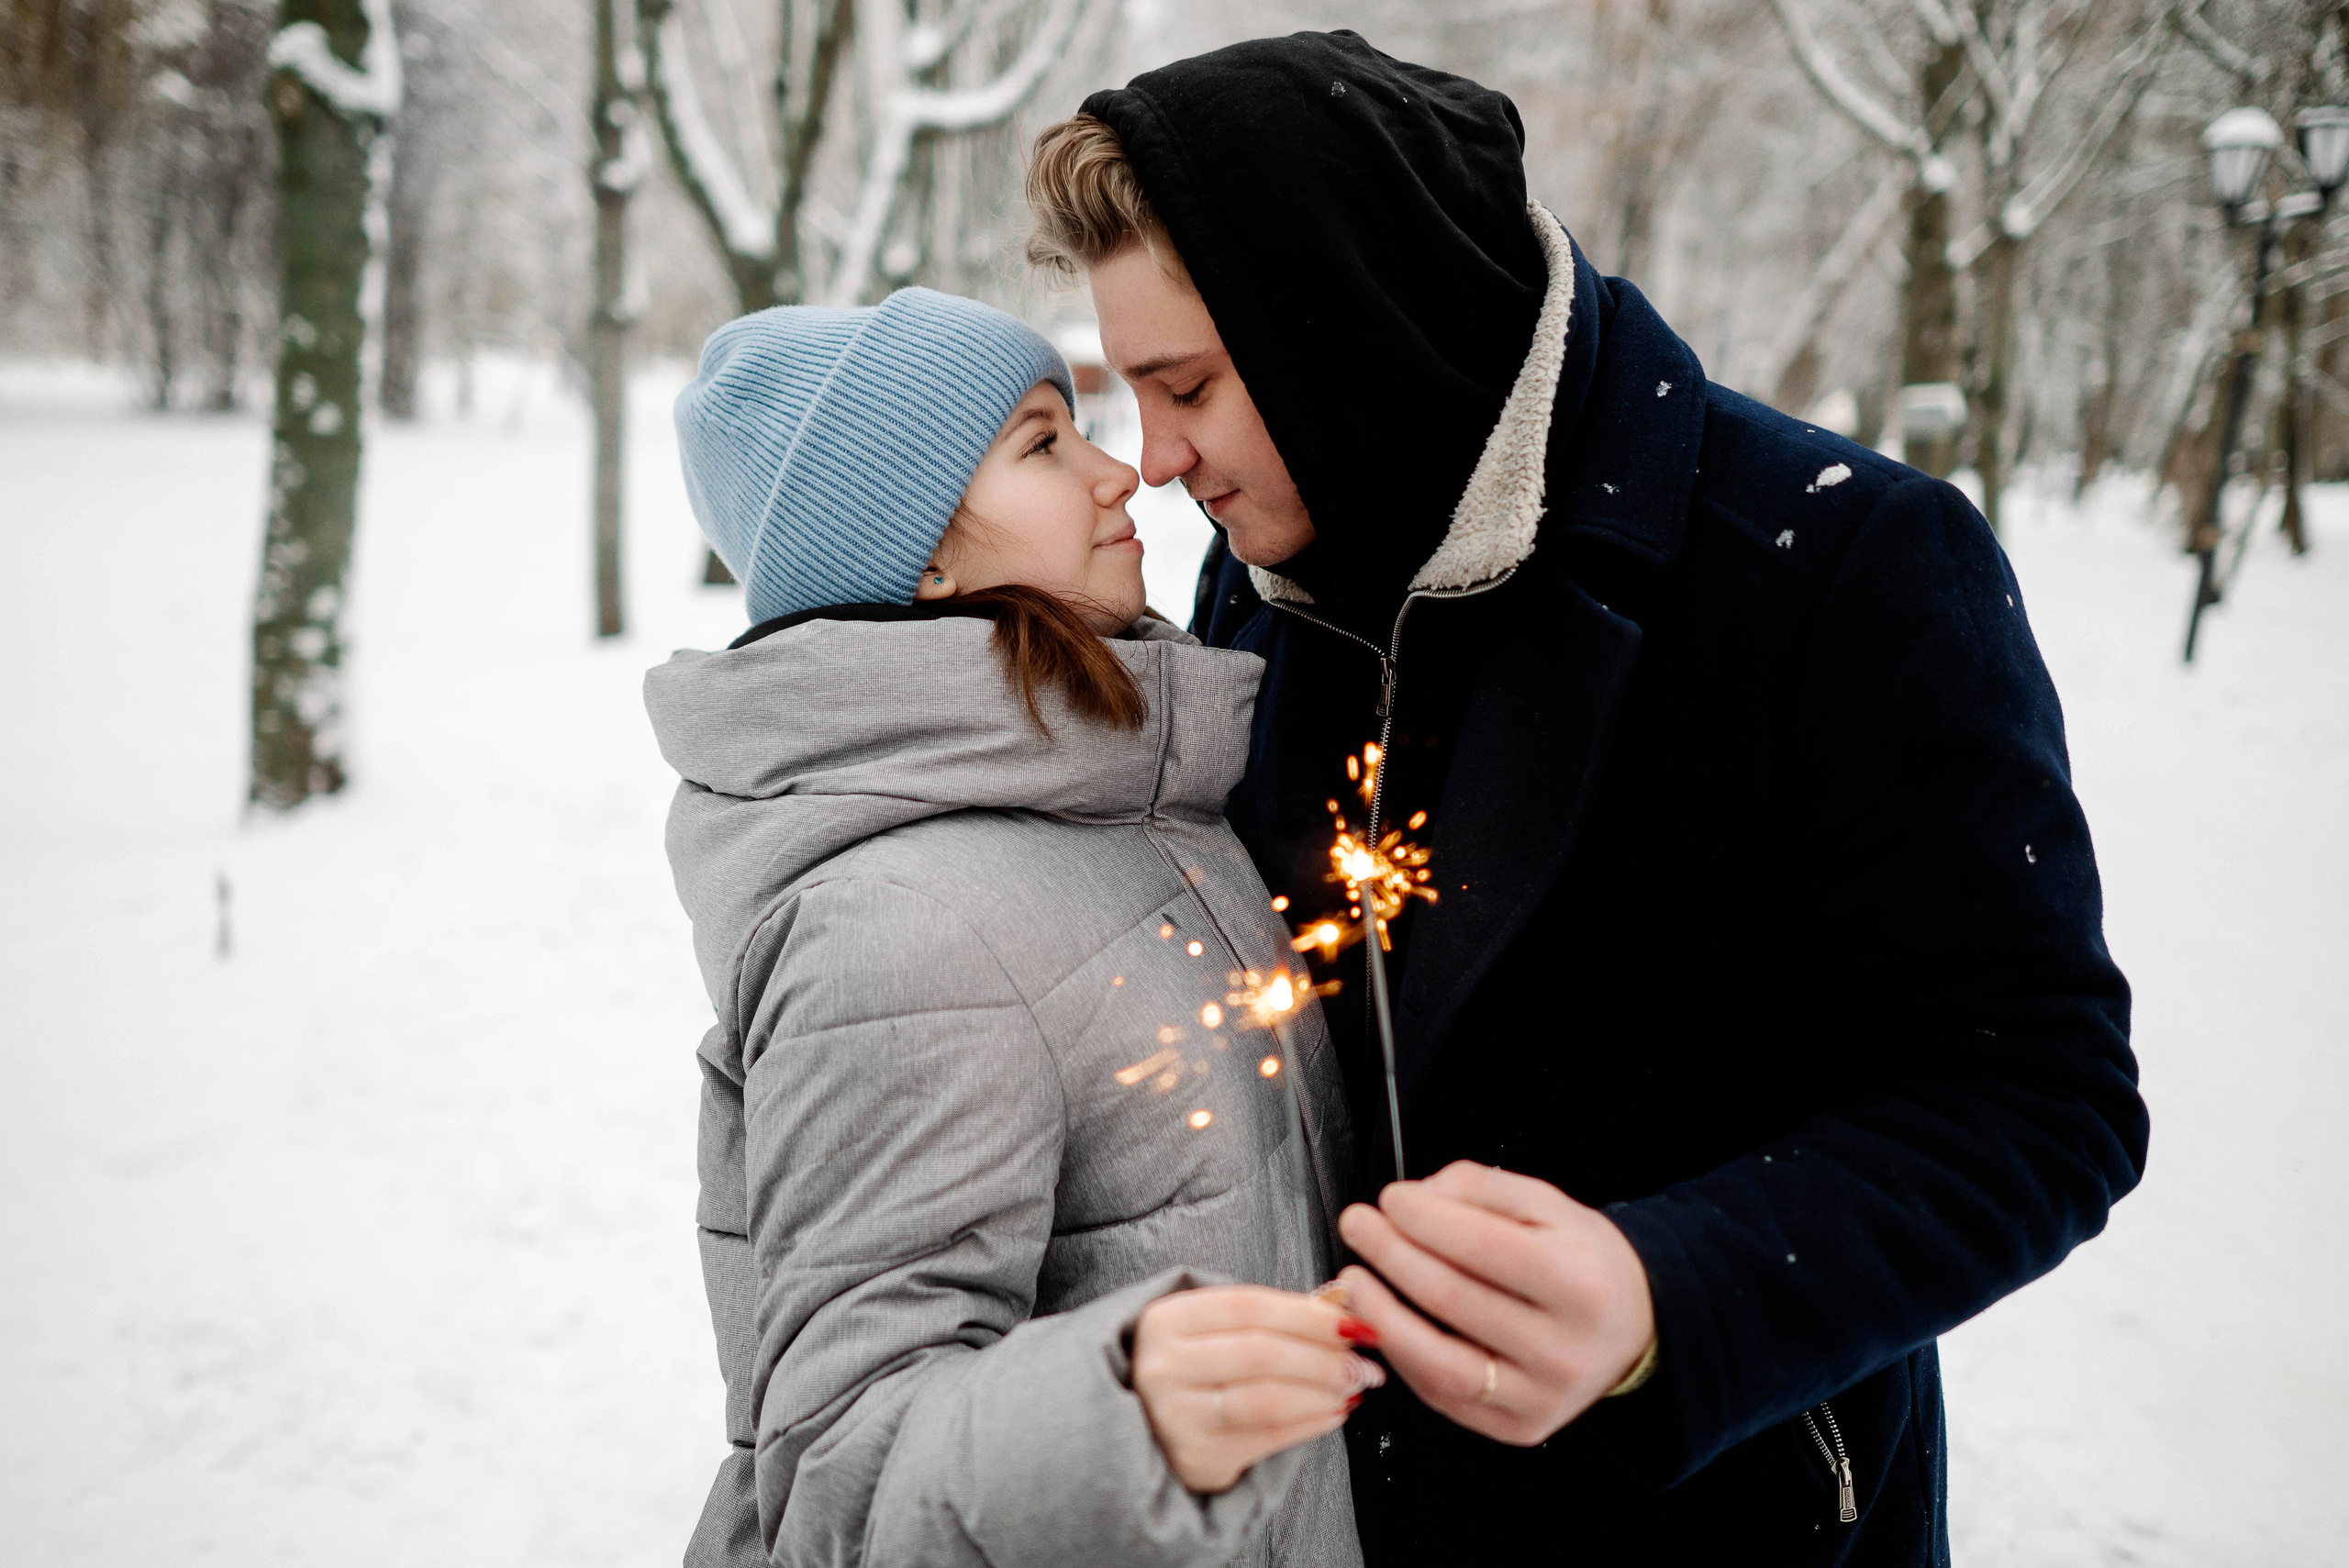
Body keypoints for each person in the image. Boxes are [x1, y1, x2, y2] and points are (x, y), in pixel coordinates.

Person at [1023, 30, 2149, 1564]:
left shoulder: (1843, 566)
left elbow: (2039, 1093)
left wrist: (1664, 1292)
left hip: (1721, 1516)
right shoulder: (1263, 581)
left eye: (1190, 387)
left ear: (1351, 330)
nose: (1157, 460)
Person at [645, 287, 1376, 1568]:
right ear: (917, 552)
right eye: (1044, 443)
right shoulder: (897, 930)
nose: (1121, 474)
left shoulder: (1125, 801)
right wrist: (1121, 1417)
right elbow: (844, 1485)